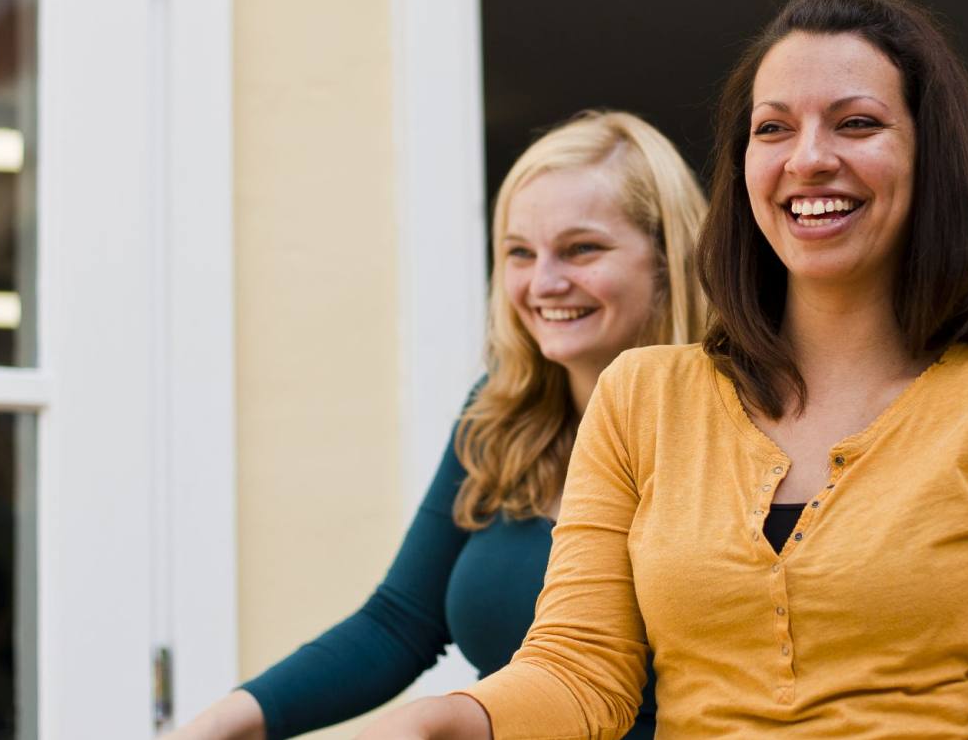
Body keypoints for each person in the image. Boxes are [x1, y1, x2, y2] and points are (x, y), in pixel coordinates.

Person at [357, 0, 968, 739]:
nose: (810, 158)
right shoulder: (644, 396)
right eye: (773, 128)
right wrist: (434, 723)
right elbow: (578, 670)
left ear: (929, 156)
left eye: (857, 122)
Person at [166, 110, 707, 740]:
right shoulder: (499, 413)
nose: (544, 282)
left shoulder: (733, 426)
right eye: (519, 253)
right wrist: (212, 727)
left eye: (582, 248)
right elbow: (399, 623)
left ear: (670, 257)